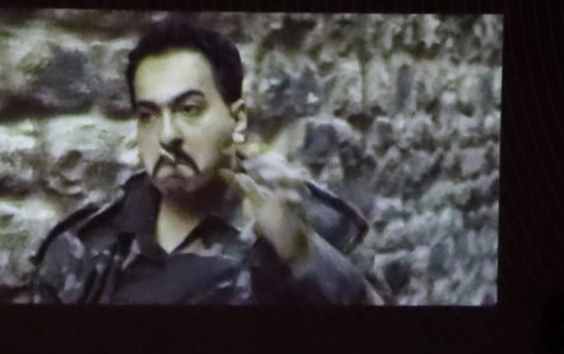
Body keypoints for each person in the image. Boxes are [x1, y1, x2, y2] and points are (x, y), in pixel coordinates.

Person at [29, 18, 385, 306]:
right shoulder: (84, 250)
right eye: (148, 115)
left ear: (238, 119)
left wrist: (302, 254)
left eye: (189, 109)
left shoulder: (310, 225)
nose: (167, 135)